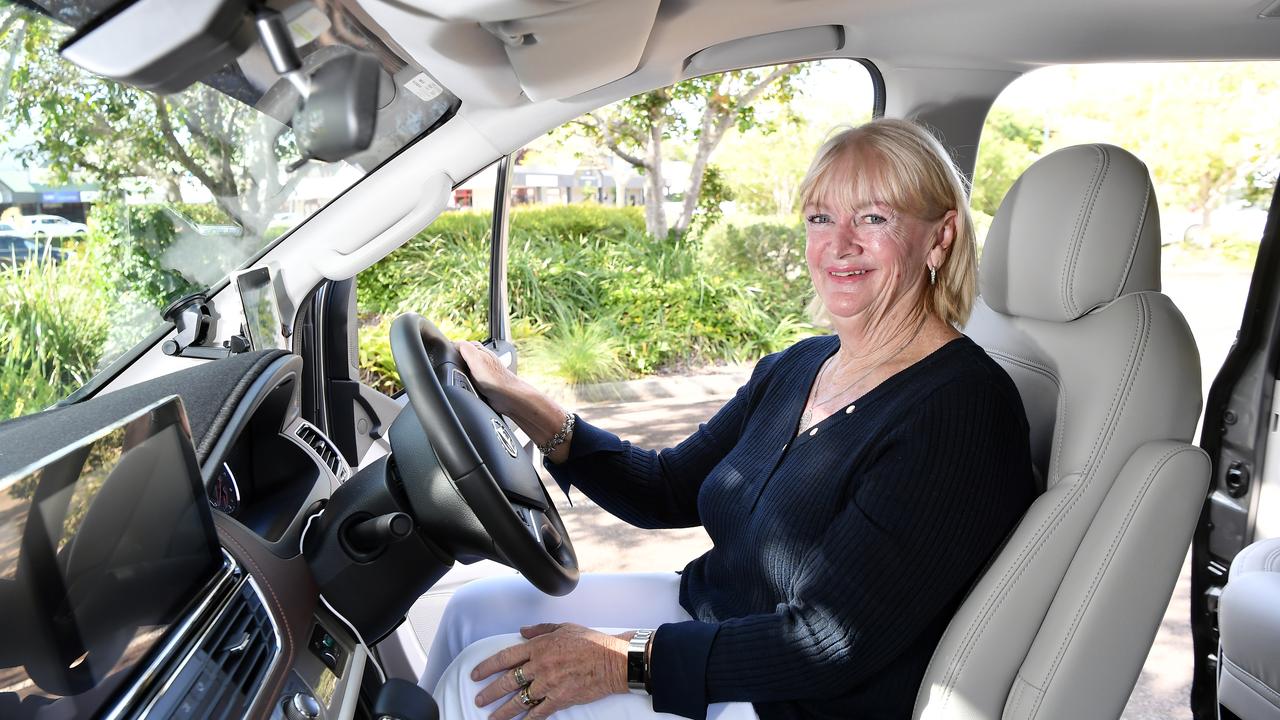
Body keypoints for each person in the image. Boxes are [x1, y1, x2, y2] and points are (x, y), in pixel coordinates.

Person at [424, 118, 1036, 720]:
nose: (839, 244)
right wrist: (519, 399)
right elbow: (666, 489)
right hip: (716, 618)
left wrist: (622, 661)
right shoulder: (802, 364)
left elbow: (829, 640)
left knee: (479, 682)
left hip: (785, 699)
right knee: (472, 612)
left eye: (874, 218)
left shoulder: (961, 410)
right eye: (821, 217)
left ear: (940, 236)